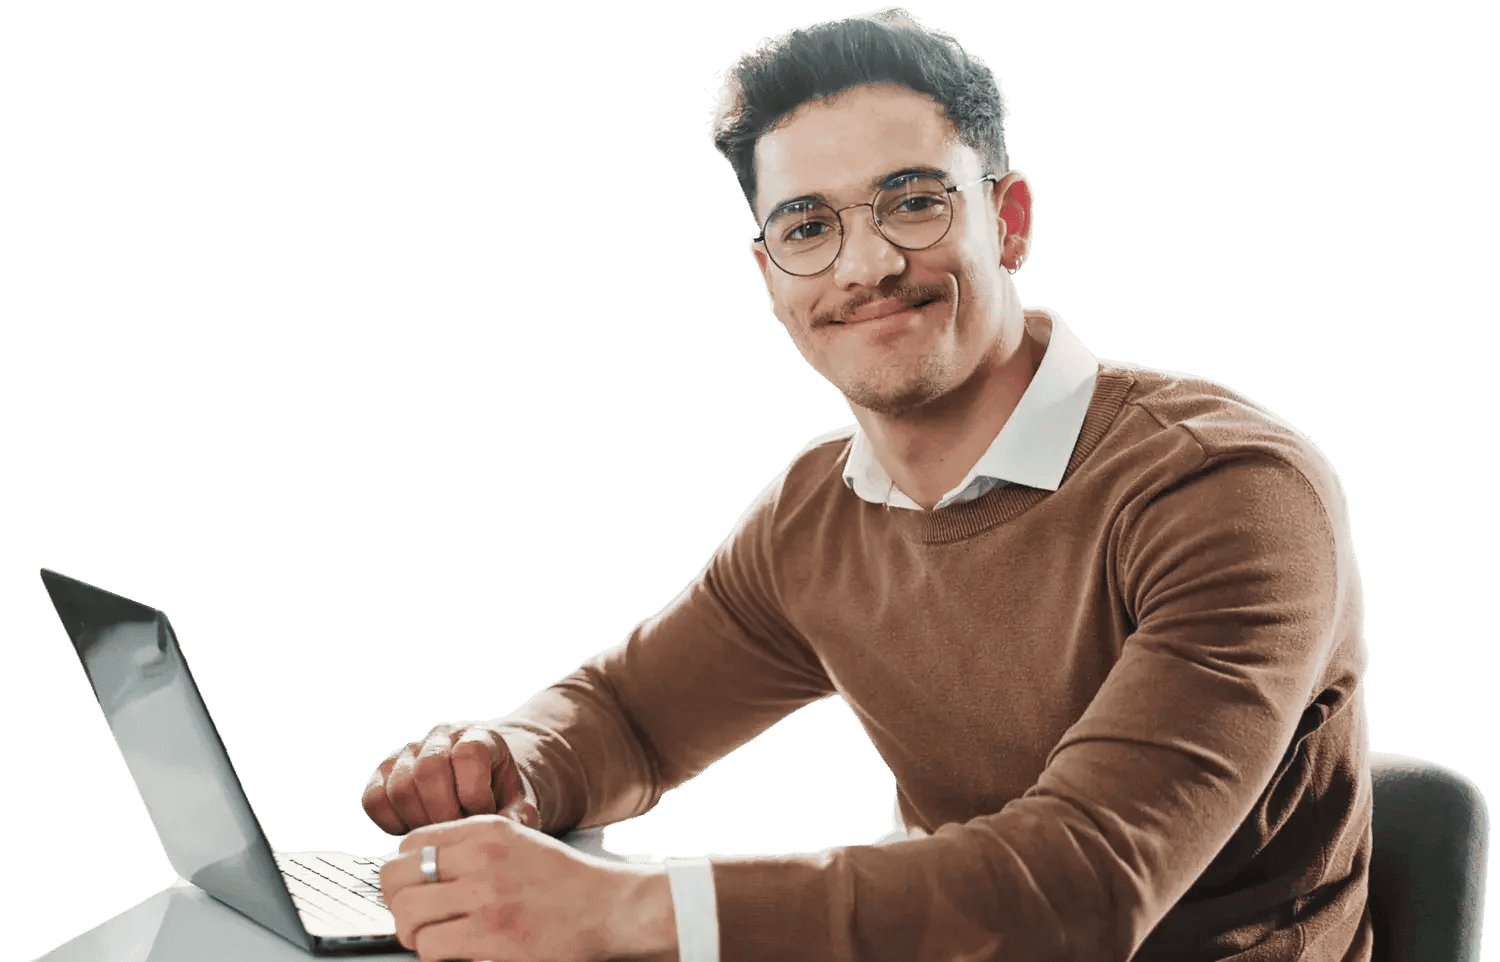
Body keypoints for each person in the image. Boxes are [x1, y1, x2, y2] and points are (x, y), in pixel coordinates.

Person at [362, 7, 1373, 961]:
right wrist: (508, 758)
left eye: (915, 203)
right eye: (807, 227)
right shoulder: (818, 511)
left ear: (1009, 220)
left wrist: (623, 908)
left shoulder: (1230, 490)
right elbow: (630, 716)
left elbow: (1080, 885)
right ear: (771, 278)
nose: (867, 264)